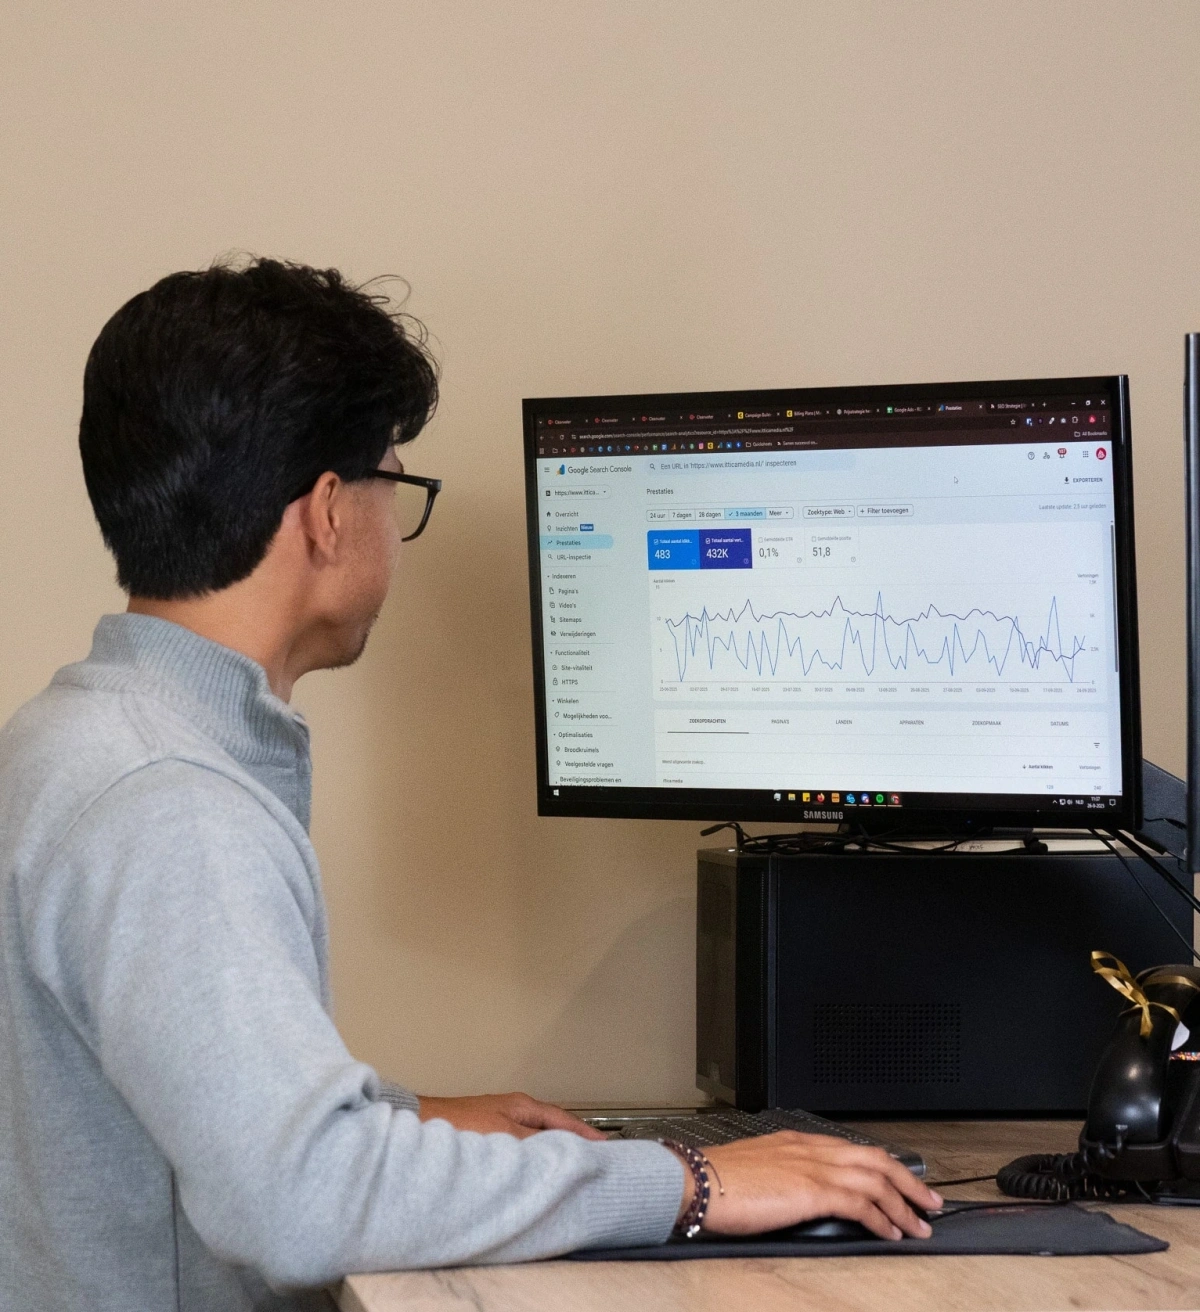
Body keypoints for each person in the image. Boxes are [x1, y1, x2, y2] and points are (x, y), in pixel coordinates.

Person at [0, 258, 939, 1312]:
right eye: (394, 485)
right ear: (326, 513)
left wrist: (399, 1120)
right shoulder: (170, 803)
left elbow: (182, 1096)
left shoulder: (71, 738)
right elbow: (299, 1201)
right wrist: (692, 1183)